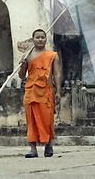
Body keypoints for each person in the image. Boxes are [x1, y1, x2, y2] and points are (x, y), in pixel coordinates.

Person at [18, 29, 61, 158]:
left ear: (46, 39)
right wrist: (22, 65)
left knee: (47, 119)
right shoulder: (27, 56)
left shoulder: (53, 55)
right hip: (31, 91)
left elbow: (57, 74)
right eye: (37, 37)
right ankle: (33, 149)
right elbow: (21, 76)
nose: (40, 39)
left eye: (42, 37)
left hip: (46, 91)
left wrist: (58, 91)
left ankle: (49, 145)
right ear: (33, 39)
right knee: (31, 120)